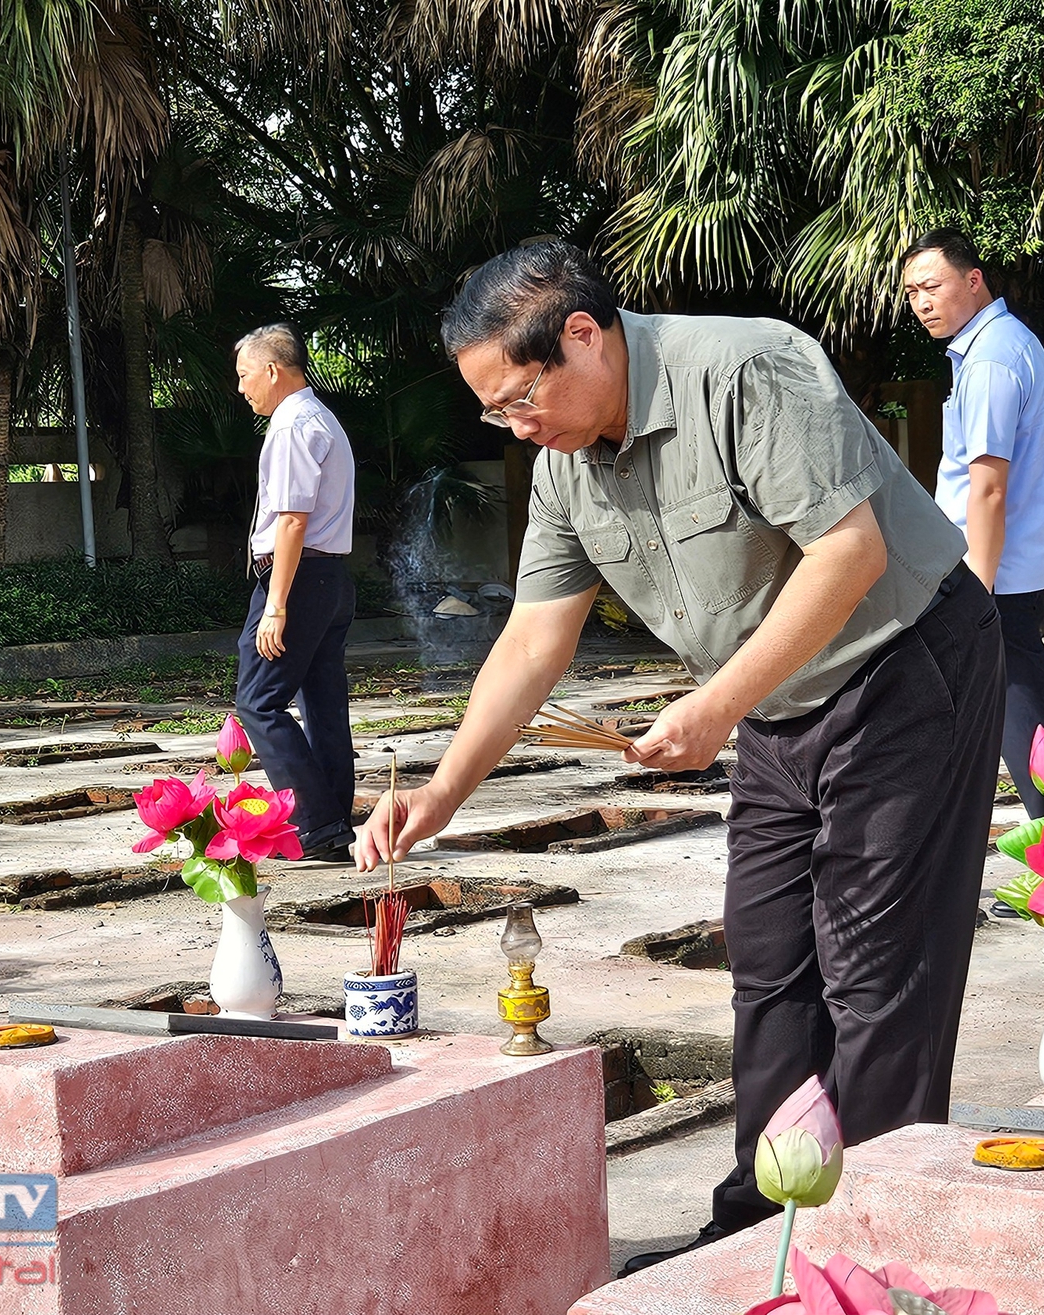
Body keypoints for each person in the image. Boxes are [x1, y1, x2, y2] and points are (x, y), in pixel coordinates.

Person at [356, 242, 1005, 1272]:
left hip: (904, 666)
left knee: (876, 974)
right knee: (765, 961)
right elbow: (533, 637)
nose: (519, 427)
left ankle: (868, 1249)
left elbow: (851, 553)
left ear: (581, 334)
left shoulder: (745, 372)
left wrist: (714, 706)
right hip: (777, 706)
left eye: (520, 399)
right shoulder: (568, 466)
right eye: (496, 414)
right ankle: (759, 1223)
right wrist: (442, 788)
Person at [901, 228, 1044, 824]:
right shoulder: (1003, 344)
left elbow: (988, 484)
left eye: (932, 286)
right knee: (1011, 694)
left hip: (993, 570)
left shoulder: (991, 358)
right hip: (1005, 564)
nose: (921, 302)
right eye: (910, 292)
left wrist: (976, 581)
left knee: (1018, 699)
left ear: (973, 280)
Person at [232, 322, 359, 861]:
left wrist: (276, 604)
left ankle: (315, 823)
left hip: (300, 579)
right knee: (322, 702)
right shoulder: (321, 417)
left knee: (258, 702)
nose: (242, 389)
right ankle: (333, 820)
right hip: (330, 578)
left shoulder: (291, 425)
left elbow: (291, 520)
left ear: (271, 370)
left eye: (244, 376)